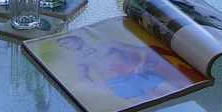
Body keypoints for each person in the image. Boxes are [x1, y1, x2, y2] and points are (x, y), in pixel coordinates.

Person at [56, 35, 190, 101]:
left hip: (139, 74)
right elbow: (84, 77)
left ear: (78, 40)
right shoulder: (78, 60)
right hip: (117, 84)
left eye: (66, 43)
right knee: (149, 108)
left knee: (179, 93)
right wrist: (97, 86)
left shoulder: (106, 44)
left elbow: (142, 50)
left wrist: (141, 63)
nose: (65, 46)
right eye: (62, 46)